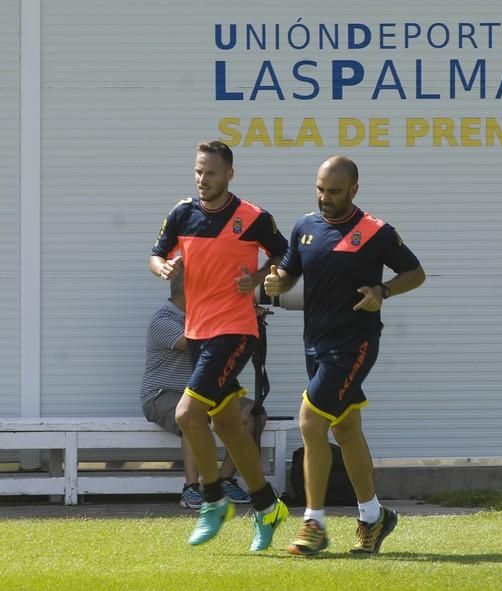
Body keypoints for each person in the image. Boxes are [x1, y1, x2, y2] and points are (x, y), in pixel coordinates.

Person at [264, 155, 425, 556]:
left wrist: (382, 292)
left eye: (333, 191)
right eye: (319, 188)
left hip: (355, 344)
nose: (324, 197)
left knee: (310, 421)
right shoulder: (305, 227)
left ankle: (313, 524)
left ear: (354, 190)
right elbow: (288, 272)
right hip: (314, 344)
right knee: (347, 428)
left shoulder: (376, 231)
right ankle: (373, 517)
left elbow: (415, 272)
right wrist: (275, 281)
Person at [149, 140, 289, 551]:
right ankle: (268, 507)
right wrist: (165, 268)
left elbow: (287, 258)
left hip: (236, 330)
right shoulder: (181, 213)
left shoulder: (253, 218)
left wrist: (262, 276)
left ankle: (213, 500)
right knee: (227, 425)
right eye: (198, 171)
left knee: (188, 413)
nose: (202, 179)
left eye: (210, 172)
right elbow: (155, 256)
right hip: (198, 332)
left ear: (229, 174)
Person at [140, 269, 267, 508]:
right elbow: (192, 344)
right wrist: (232, 321)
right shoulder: (163, 319)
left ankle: (225, 479)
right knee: (193, 414)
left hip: (202, 392)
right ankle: (191, 488)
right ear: (189, 290)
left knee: (254, 414)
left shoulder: (203, 317)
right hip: (162, 395)